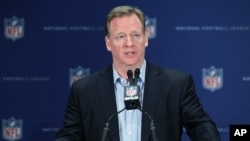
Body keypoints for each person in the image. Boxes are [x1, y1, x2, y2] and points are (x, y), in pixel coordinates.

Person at [54, 5, 221, 141]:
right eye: (120, 36)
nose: (129, 43)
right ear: (108, 43)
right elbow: (68, 136)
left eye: (135, 35)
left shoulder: (176, 84)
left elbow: (201, 126)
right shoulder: (84, 90)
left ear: (146, 38)